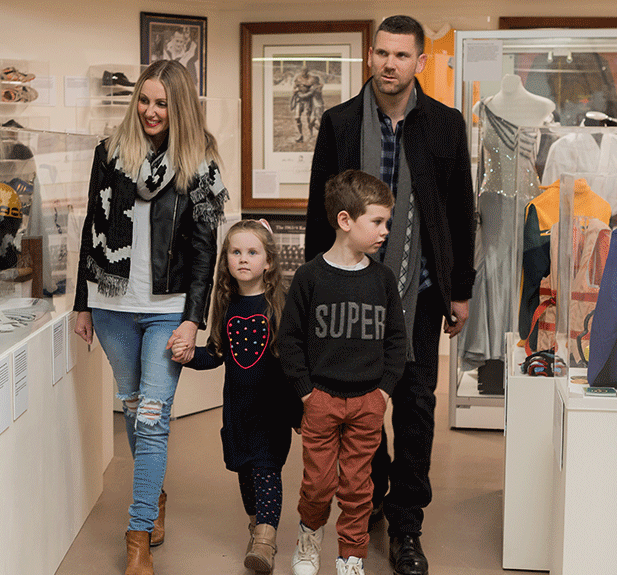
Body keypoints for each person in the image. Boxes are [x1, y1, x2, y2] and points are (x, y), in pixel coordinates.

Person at [304, 15, 476, 575]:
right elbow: (319, 212)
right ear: (369, 56)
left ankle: (407, 524)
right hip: (351, 293)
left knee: (417, 406)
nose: (389, 64)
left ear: (420, 62)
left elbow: (457, 213)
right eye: (381, 53)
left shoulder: (445, 126)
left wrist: (461, 289)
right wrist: (312, 291)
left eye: (402, 55)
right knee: (361, 398)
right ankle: (374, 488)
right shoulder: (339, 122)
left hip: (421, 291)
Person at [72, 58, 227, 575]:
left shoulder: (200, 162)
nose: (150, 111)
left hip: (166, 309)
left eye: (162, 103)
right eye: (144, 99)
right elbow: (91, 229)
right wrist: (81, 302)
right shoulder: (110, 154)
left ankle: (136, 535)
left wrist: (193, 320)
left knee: (153, 421)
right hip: (112, 304)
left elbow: (205, 249)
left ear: (179, 106)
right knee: (136, 413)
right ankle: (153, 496)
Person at [280, 169, 406, 575]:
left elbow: (396, 341)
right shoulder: (309, 277)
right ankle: (308, 539)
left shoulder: (384, 280)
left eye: (387, 221)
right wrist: (304, 392)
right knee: (317, 484)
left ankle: (351, 557)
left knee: (358, 487)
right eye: (378, 221)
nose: (385, 229)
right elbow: (291, 339)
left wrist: (383, 392)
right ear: (346, 221)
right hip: (320, 400)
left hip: (367, 402)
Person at [175, 219, 301, 574]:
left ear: (269, 262)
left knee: (266, 470)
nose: (243, 259)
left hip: (271, 411)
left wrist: (300, 409)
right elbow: (215, 354)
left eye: (252, 252)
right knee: (246, 474)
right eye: (235, 252)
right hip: (237, 413)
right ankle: (256, 526)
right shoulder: (227, 306)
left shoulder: (279, 307)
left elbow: (293, 362)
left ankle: (265, 539)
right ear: (225, 259)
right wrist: (187, 355)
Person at [290, 66, 324, 143]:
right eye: (302, 71)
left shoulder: (312, 79)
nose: (303, 72)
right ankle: (300, 135)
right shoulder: (298, 78)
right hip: (299, 100)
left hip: (308, 100)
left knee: (308, 117)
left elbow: (319, 85)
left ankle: (311, 134)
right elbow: (294, 88)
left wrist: (315, 88)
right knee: (297, 117)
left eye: (305, 71)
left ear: (307, 71)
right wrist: (295, 91)